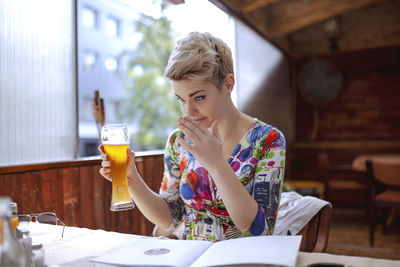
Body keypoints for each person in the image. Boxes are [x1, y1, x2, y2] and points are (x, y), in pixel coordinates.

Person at [99, 32, 286, 242]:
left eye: (199, 97)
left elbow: (260, 230)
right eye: (181, 99)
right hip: (191, 259)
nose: (189, 111)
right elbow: (169, 219)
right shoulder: (178, 141)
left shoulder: (268, 140)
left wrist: (217, 165)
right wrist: (131, 180)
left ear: (228, 84)